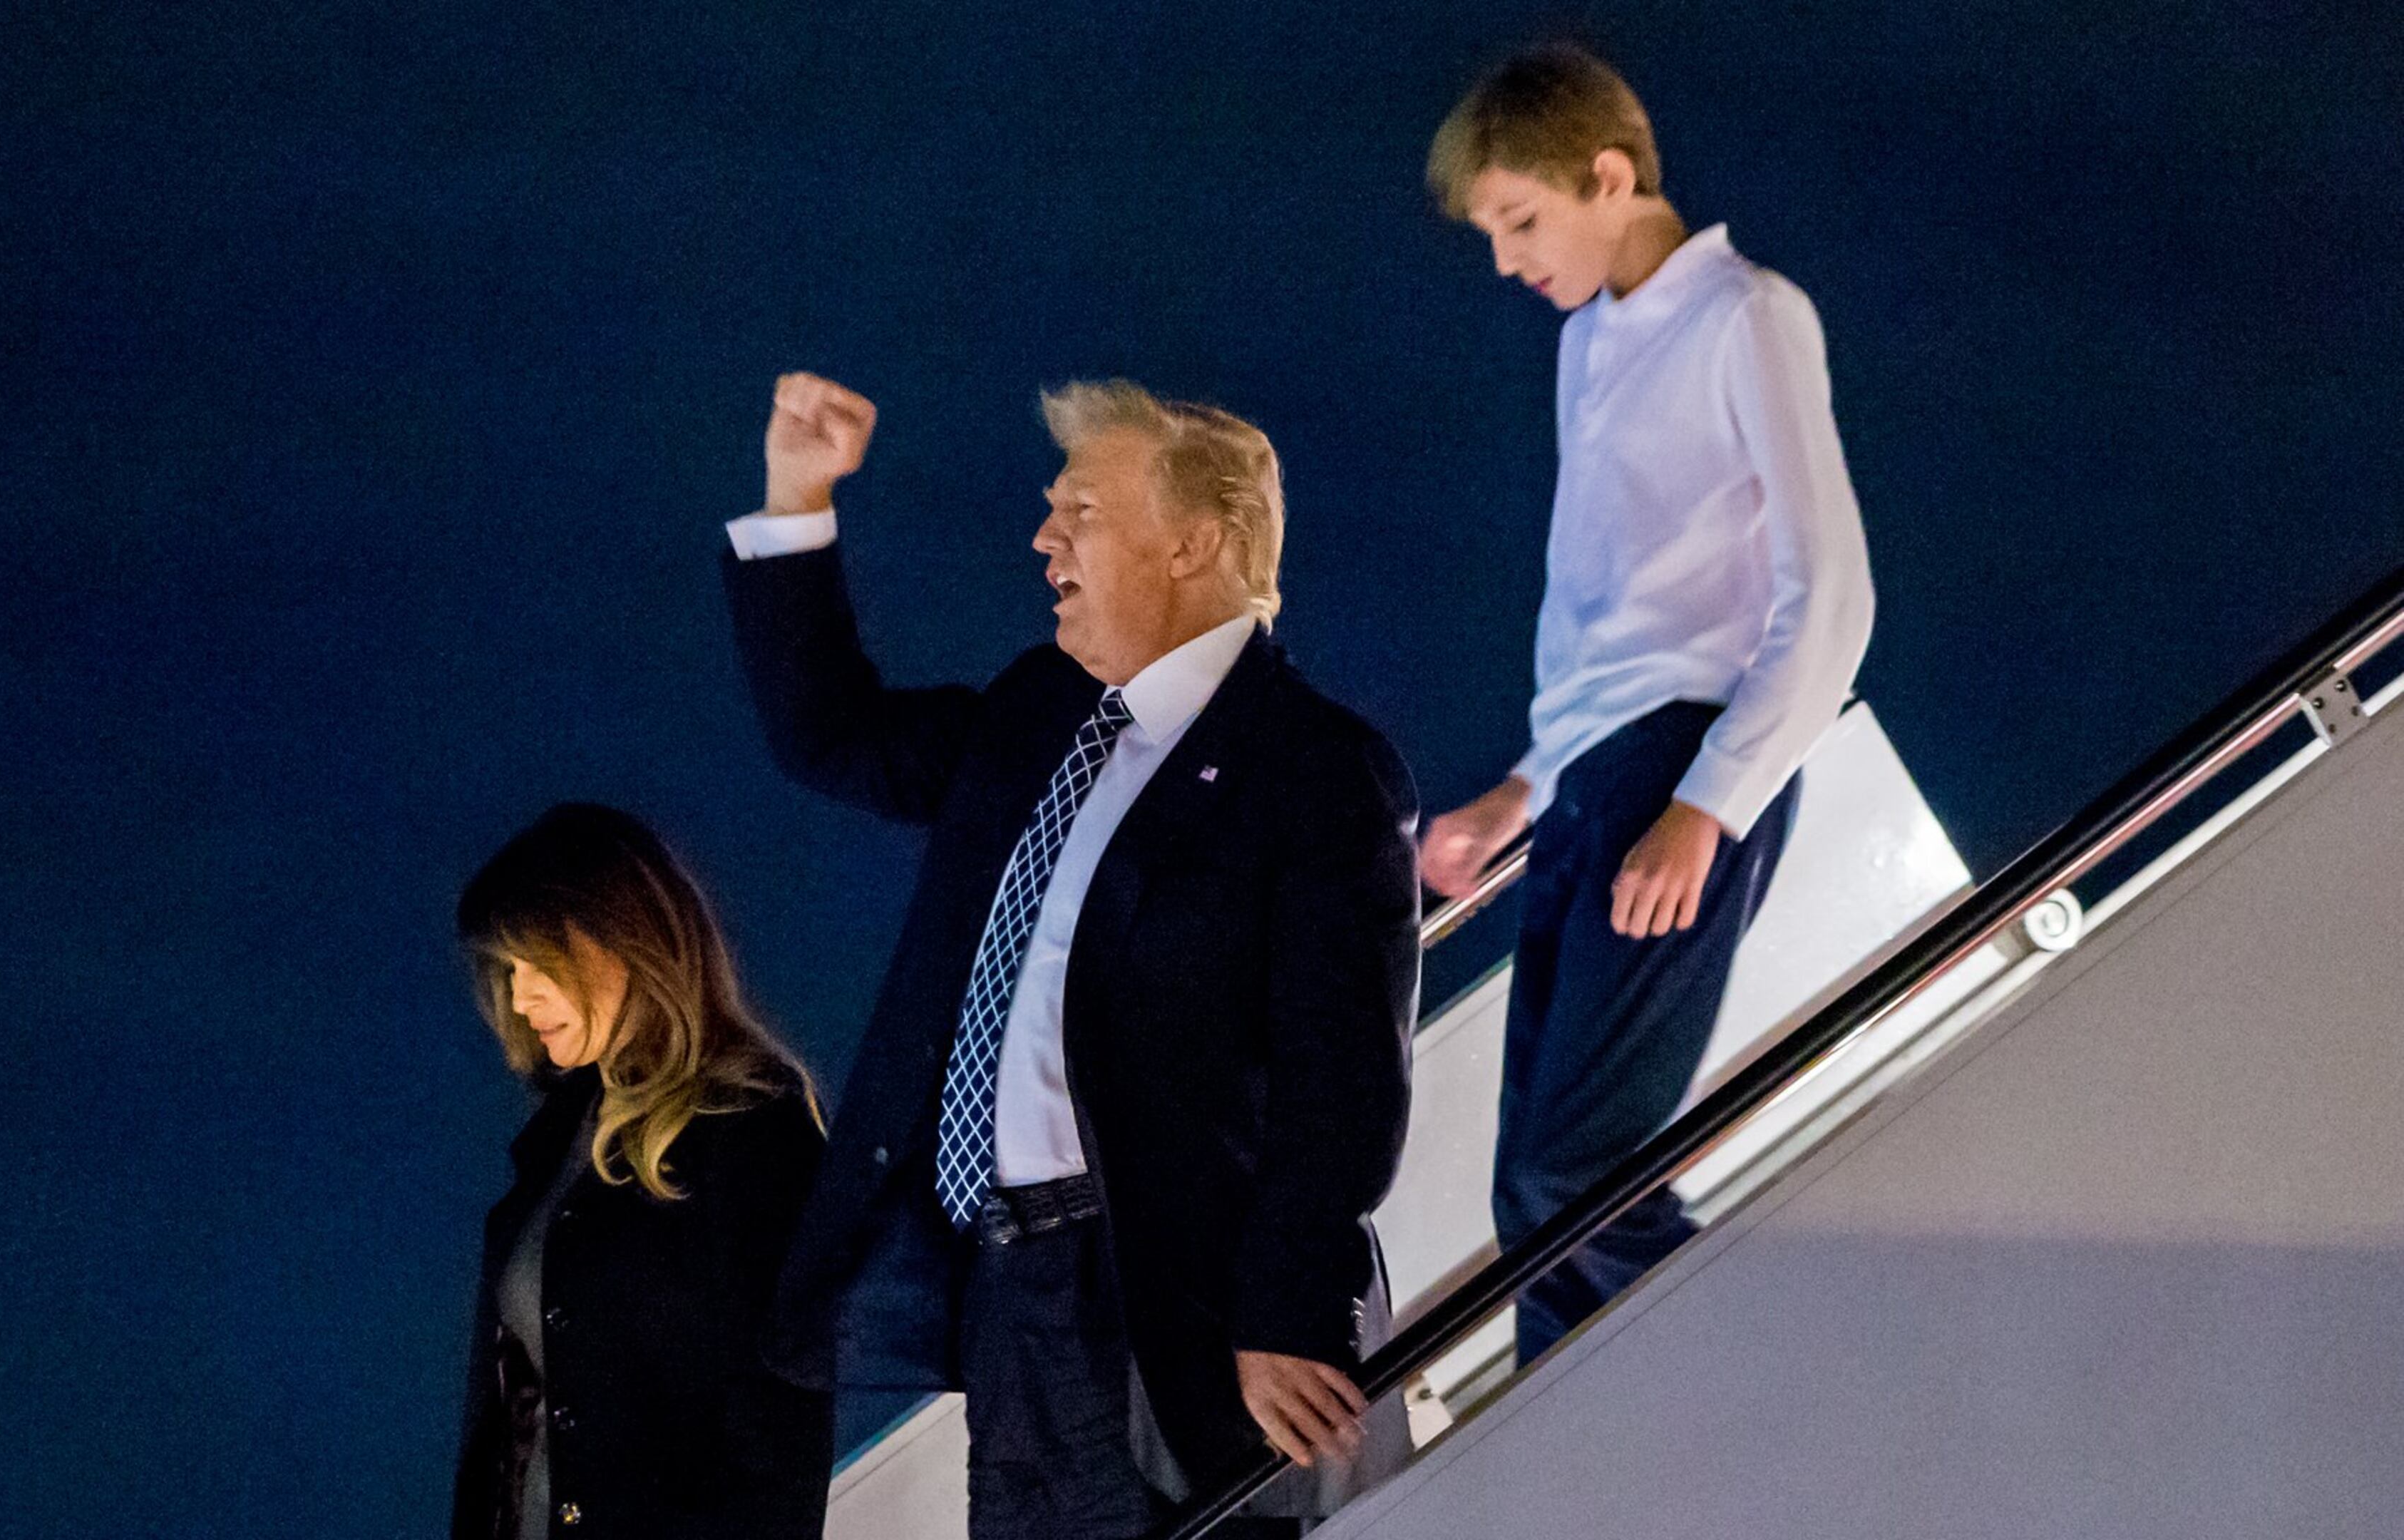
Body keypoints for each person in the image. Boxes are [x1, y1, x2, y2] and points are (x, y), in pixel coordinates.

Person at [722, 374, 1419, 1538]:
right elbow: (832, 735)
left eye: (1083, 511)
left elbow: (1338, 1077)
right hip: (1008, 1300)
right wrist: (796, 498)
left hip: (1156, 1299)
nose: (1044, 536)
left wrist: (1287, 1308)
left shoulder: (1312, 771)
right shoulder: (1040, 712)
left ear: (1195, 540)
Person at [1416, 44, 1877, 1365]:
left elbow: (1831, 594)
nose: (1506, 260)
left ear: (1608, 177)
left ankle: (1800, 1400)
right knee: (1528, 1199)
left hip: (1678, 771)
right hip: (1594, 779)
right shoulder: (1589, 346)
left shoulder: (1746, 313)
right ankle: (1614, 1469)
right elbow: (1617, 614)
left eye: (1522, 220)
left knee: (1579, 1173)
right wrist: (1519, 787)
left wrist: (1707, 805)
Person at [448, 803, 833, 1539]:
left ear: (621, 940)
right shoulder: (555, 1143)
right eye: (509, 970)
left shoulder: (753, 1130)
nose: (521, 997)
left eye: (540, 962)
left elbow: (778, 1429)